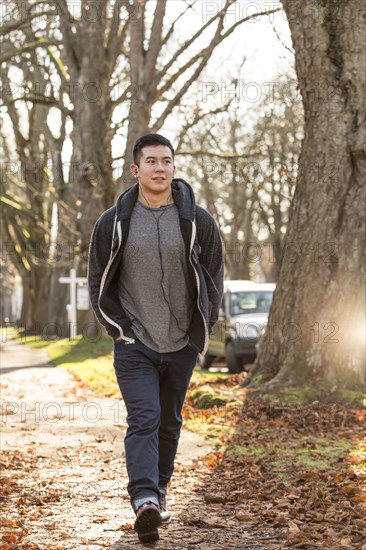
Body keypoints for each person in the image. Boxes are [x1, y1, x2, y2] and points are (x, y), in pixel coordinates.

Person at [88, 134, 224, 543]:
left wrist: (204, 327)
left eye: (166, 161)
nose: (159, 167)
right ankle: (144, 498)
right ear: (136, 169)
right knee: (145, 418)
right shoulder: (113, 222)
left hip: (182, 341)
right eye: (151, 161)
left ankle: (158, 495)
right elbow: (98, 280)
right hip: (135, 342)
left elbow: (215, 278)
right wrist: (118, 329)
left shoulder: (199, 220)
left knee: (169, 422)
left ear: (174, 168)